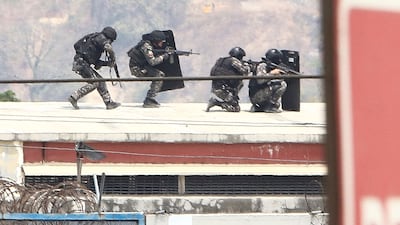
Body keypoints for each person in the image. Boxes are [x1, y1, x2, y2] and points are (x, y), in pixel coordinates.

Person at [68, 26, 121, 110]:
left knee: (101, 81)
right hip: (81, 63)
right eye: (111, 41)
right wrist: (113, 59)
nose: (111, 43)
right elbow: (109, 49)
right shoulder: (101, 38)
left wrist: (107, 63)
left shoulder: (95, 39)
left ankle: (109, 102)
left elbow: (95, 61)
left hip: (82, 63)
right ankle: (75, 96)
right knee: (95, 82)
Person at [127, 30, 172, 108]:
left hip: (142, 66)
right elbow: (152, 62)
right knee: (159, 75)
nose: (162, 44)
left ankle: (150, 99)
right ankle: (149, 99)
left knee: (158, 73)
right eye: (161, 42)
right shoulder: (146, 47)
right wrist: (164, 56)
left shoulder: (149, 44)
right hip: (137, 68)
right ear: (155, 41)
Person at [206, 47, 250, 112]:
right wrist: (248, 66)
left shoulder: (221, 60)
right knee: (235, 109)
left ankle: (231, 99)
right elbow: (245, 71)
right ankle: (216, 102)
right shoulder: (234, 61)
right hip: (224, 90)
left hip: (216, 88)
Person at [248, 48, 287, 113]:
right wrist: (272, 73)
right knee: (282, 84)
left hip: (257, 95)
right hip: (256, 95)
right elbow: (260, 80)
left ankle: (260, 106)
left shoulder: (269, 66)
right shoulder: (262, 65)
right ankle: (270, 106)